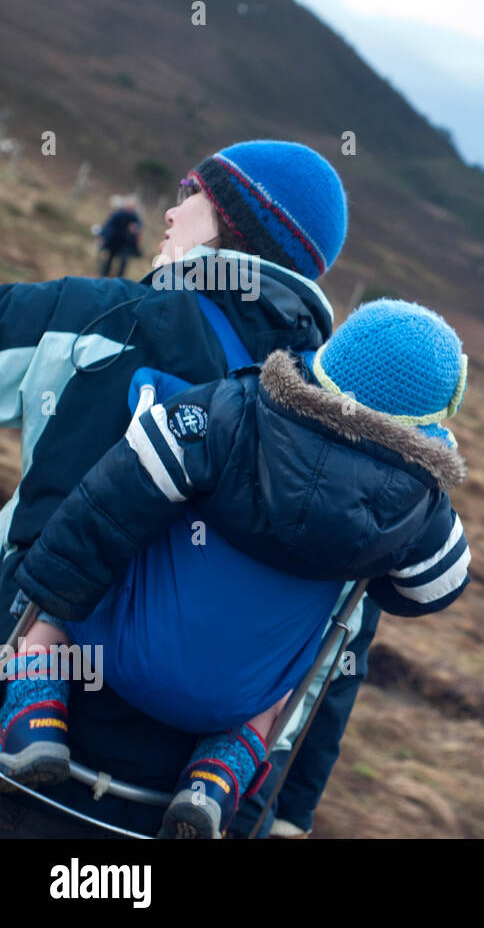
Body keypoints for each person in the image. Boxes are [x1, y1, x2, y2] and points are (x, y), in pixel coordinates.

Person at [1, 298, 471, 838]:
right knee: (281, 683)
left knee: (76, 586)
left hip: (116, 653)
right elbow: (436, 587)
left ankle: (34, 711)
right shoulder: (418, 507)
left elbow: (117, 493)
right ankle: (216, 775)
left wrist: (49, 586)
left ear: (326, 361)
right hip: (234, 697)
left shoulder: (234, 409)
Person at [0, 139, 359, 836]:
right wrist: (286, 813)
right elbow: (341, 645)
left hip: (22, 723)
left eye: (192, 191)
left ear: (235, 220)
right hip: (179, 801)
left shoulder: (105, 317)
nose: (169, 209)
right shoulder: (334, 428)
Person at [96, 196, 143, 277]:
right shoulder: (117, 214)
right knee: (109, 258)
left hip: (125, 244)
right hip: (114, 241)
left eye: (132, 207)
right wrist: (102, 236)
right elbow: (108, 225)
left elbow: (139, 226)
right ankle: (104, 275)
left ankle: (119, 277)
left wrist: (135, 228)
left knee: (124, 260)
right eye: (128, 206)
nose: (130, 208)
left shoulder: (134, 217)